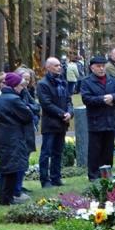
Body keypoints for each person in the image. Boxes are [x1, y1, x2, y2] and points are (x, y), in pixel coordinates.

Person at [0, 72, 36, 205]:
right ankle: (7, 198)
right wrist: (28, 108)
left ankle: (5, 197)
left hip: (5, 136)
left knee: (7, 168)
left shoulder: (2, 97)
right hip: (13, 136)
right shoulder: (13, 99)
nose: (22, 88)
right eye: (20, 86)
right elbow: (28, 115)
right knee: (12, 168)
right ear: (13, 86)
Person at [81, 55, 115, 181]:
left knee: (108, 149)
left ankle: (107, 173)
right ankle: (93, 175)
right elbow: (86, 99)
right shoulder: (87, 82)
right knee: (95, 149)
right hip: (96, 120)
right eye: (98, 66)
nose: (101, 69)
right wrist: (104, 99)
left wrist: (113, 97)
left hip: (110, 119)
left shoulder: (112, 80)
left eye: (103, 66)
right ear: (92, 68)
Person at [37, 57, 73, 188]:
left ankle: (56, 177)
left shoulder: (62, 82)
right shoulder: (43, 84)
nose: (59, 67)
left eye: (60, 65)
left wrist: (70, 112)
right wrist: (63, 113)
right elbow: (46, 104)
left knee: (58, 152)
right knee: (46, 152)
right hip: (50, 123)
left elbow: (69, 100)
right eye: (56, 65)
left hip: (62, 123)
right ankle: (44, 179)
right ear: (48, 67)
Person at [13, 67, 40, 201]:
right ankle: (16, 189)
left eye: (29, 79)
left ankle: (19, 186)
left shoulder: (26, 92)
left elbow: (36, 107)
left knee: (25, 159)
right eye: (24, 79)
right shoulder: (15, 94)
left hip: (29, 129)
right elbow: (25, 110)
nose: (26, 82)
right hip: (20, 132)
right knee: (19, 159)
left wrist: (30, 110)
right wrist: (29, 110)